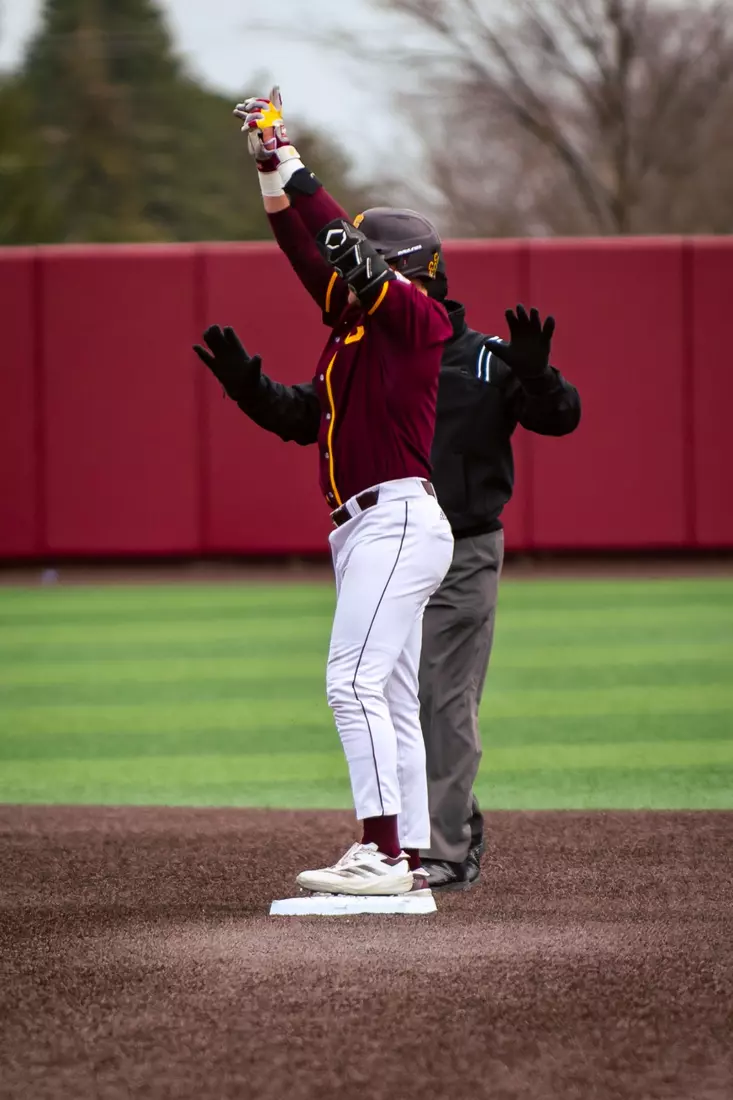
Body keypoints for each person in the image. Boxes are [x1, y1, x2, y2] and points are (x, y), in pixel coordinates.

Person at [192, 88, 454, 905]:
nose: (342, 271)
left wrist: (296, 159)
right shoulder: (355, 335)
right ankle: (405, 852)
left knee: (351, 684)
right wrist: (269, 172)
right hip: (372, 526)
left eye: (361, 260)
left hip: (397, 520)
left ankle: (379, 852)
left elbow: (339, 247)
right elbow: (306, 255)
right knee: (390, 695)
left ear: (391, 268)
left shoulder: (415, 319)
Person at [419, 299, 581, 890]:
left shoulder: (485, 359)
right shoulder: (374, 353)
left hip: (463, 549)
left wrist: (537, 373)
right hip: (390, 551)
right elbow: (309, 415)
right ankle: (431, 830)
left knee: (443, 697)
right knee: (386, 695)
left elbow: (561, 416)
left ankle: (448, 848)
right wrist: (253, 389)